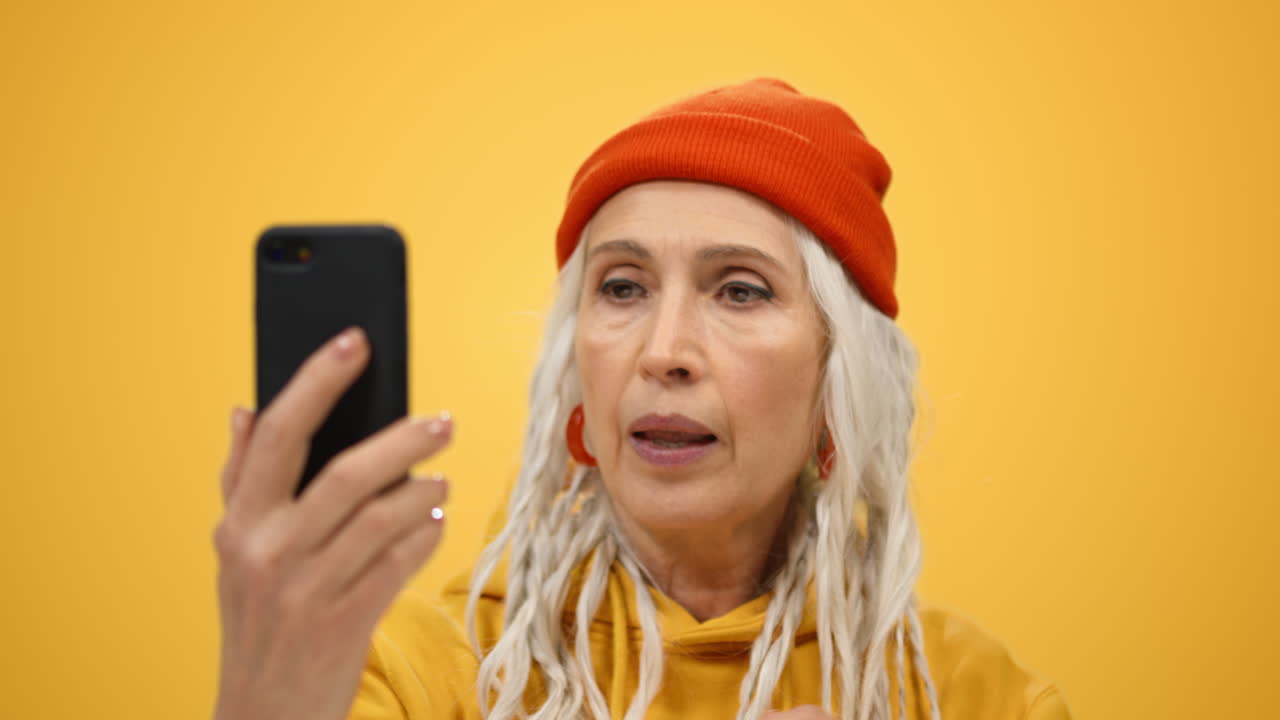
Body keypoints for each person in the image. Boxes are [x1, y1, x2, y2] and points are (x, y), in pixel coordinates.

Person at [212, 78, 1071, 720]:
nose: (662, 353)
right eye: (621, 288)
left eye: (739, 291)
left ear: (838, 376)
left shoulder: (972, 697)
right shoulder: (406, 677)